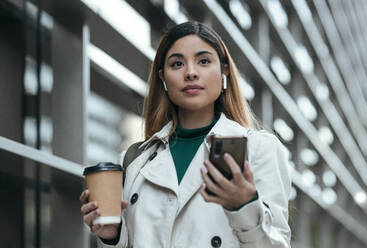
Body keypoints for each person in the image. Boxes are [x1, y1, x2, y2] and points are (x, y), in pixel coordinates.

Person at [80, 21, 291, 247]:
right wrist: (112, 236)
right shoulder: (133, 161)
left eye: (203, 61)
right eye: (177, 63)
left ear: (223, 72)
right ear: (163, 78)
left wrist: (244, 207)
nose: (190, 73)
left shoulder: (259, 149)